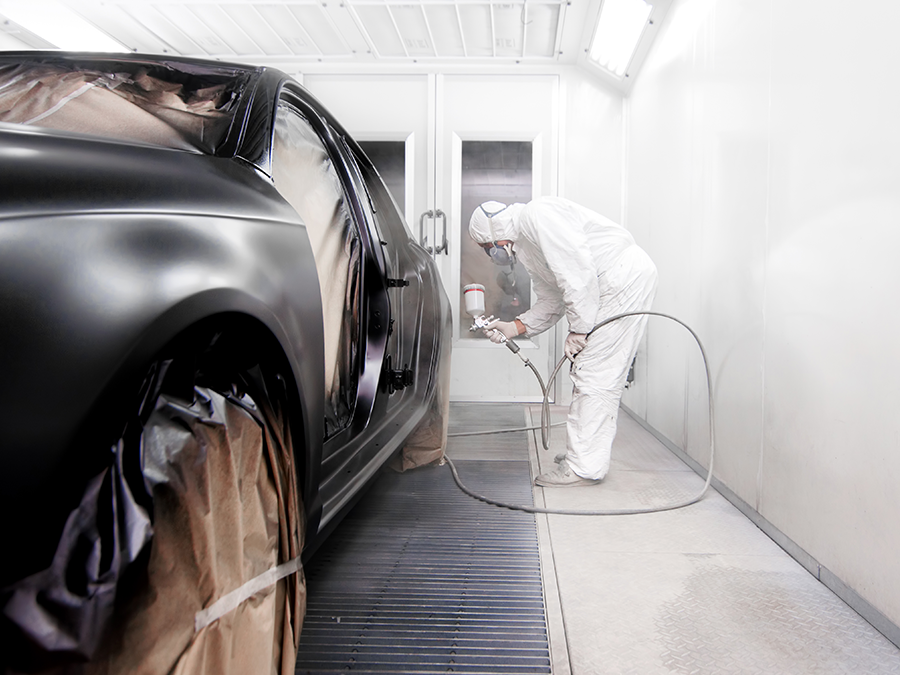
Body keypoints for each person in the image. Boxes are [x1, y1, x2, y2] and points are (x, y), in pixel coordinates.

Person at [468, 197, 658, 487]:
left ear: (494, 234)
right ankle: (583, 456)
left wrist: (579, 330)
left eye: (487, 249)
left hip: (620, 279)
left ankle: (584, 467)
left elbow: (577, 272)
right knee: (591, 371)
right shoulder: (529, 246)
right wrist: (514, 327)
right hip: (608, 283)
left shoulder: (537, 216)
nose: (492, 256)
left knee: (596, 373)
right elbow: (552, 298)